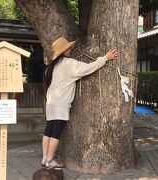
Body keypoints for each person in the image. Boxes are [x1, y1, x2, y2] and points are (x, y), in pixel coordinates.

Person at [42, 37, 119, 168]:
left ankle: (45, 157)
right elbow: (88, 68)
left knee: (48, 130)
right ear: (64, 50)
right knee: (56, 132)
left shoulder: (50, 67)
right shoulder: (69, 64)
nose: (70, 50)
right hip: (61, 104)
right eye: (68, 48)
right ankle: (50, 160)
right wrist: (105, 58)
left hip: (50, 103)